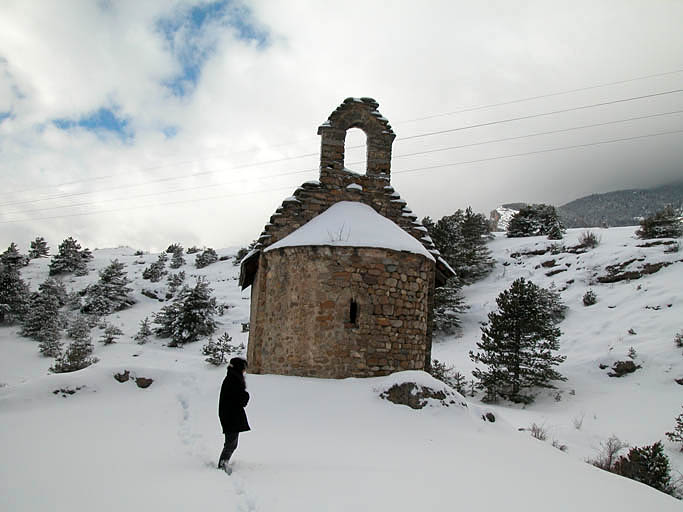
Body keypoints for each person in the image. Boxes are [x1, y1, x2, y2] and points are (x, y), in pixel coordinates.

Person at [218, 356, 250, 473]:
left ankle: (224, 462)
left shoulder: (232, 378)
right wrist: (246, 395)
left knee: (232, 442)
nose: (245, 371)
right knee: (231, 443)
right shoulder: (234, 380)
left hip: (230, 414)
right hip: (230, 415)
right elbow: (241, 400)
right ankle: (222, 464)